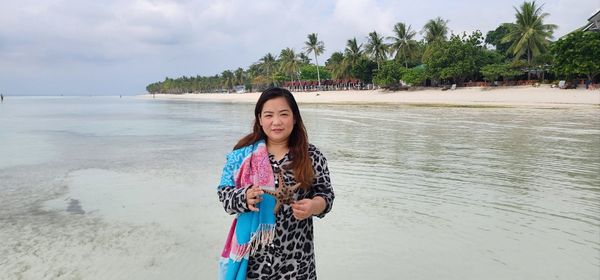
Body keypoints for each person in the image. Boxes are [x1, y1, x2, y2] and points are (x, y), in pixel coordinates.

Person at [217, 87, 334, 279]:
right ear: (260, 119)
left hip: (298, 262)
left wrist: (314, 206)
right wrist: (244, 197)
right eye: (269, 115)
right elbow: (224, 194)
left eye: (284, 114)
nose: (276, 122)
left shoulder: (311, 156)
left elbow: (326, 195)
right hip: (253, 262)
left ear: (294, 118)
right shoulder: (242, 155)